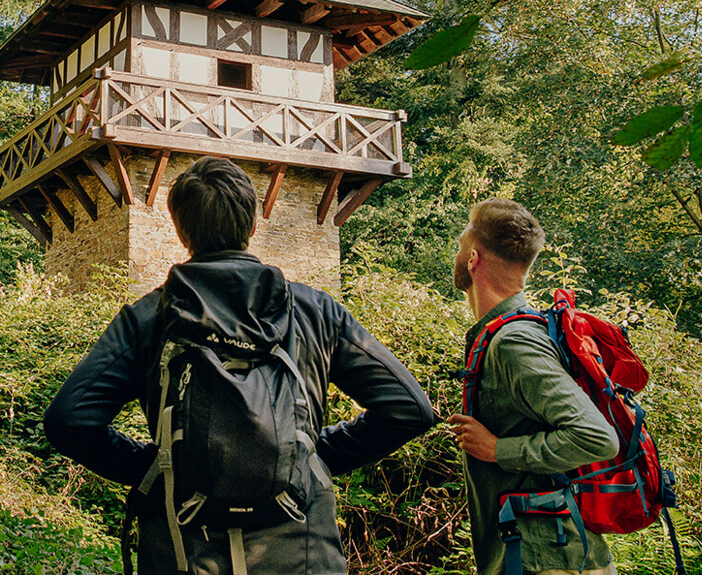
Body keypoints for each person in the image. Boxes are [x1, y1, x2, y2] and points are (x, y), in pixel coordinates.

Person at [43, 156, 436, 574]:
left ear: (180, 231)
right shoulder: (315, 312)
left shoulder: (147, 319)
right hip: (302, 555)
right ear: (251, 226)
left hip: (183, 552)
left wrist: (158, 467)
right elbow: (409, 408)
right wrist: (304, 458)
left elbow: (69, 420)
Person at [446, 198, 619, 575]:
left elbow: (597, 438)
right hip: (541, 554)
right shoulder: (510, 333)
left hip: (551, 562)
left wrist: (497, 449)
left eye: (460, 247)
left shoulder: (514, 342)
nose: (456, 256)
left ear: (473, 259)